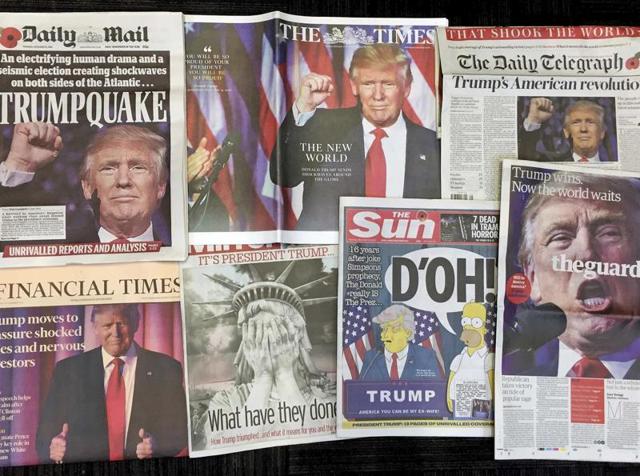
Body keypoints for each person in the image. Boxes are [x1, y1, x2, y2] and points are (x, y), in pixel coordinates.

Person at [270, 44, 440, 231]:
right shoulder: (323, 125)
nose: (378, 96)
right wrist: (303, 107)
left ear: (406, 87)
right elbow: (284, 176)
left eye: (388, 84)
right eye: (368, 84)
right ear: (354, 86)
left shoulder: (433, 147)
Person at [513, 173, 640, 378]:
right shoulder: (519, 384)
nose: (586, 253)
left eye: (609, 233)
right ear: (533, 278)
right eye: (561, 237)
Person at [36, 304, 187, 463]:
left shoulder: (167, 368)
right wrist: (53, 448)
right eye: (107, 325)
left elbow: (181, 432)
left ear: (136, 323)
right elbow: (44, 437)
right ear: (95, 327)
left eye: (121, 324)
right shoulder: (68, 371)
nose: (115, 333)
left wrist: (158, 447)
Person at [0, 122, 169, 243]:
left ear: (161, 186)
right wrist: (20, 166)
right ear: (87, 187)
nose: (123, 181)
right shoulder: (51, 247)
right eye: (108, 168)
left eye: (138, 167)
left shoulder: (179, 251)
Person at [360, 304, 441, 381]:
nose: (386, 335)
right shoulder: (371, 357)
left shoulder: (426, 356)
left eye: (394, 329)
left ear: (408, 332)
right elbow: (360, 391)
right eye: (384, 329)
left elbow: (434, 389)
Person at [519, 98, 613, 163]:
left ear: (602, 133)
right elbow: (525, 155)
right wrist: (534, 120)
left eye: (590, 122)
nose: (583, 129)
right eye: (576, 122)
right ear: (566, 132)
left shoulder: (613, 167)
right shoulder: (550, 162)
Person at [447, 302, 494, 416]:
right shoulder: (458, 359)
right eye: (466, 322)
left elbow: (492, 385)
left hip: (481, 407)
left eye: (475, 323)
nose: (469, 327)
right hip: (460, 407)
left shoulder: (488, 359)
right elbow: (451, 380)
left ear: (484, 328)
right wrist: (449, 396)